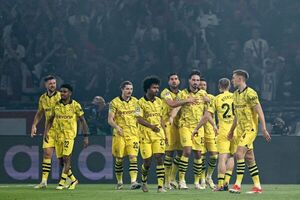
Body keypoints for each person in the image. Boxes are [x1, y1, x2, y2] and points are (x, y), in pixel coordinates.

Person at [171, 70, 216, 190]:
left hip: (198, 128)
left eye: (197, 80)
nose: (196, 82)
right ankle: (181, 180)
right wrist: (172, 116)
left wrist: (209, 101)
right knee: (187, 151)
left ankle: (197, 182)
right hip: (185, 126)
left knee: (198, 154)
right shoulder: (183, 93)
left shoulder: (203, 95)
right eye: (194, 80)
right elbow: (175, 105)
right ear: (189, 81)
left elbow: (208, 112)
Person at [228, 69, 271, 194]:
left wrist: (263, 128)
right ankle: (257, 186)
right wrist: (231, 130)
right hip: (240, 130)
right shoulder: (235, 94)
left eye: (233, 77)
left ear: (240, 79)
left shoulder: (251, 93)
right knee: (249, 158)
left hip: (250, 129)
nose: (232, 80)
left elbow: (259, 111)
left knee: (239, 153)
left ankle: (237, 185)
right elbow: (236, 115)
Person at [44, 84, 89, 190]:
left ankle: (62, 182)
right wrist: (46, 132)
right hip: (57, 136)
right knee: (60, 161)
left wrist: (86, 136)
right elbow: (50, 120)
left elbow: (83, 121)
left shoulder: (75, 105)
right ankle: (73, 180)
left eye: (65, 91)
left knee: (66, 158)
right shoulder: (56, 105)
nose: (62, 93)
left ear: (70, 93)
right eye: (61, 91)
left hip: (69, 136)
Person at [160, 73, 197, 189]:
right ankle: (166, 181)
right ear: (168, 82)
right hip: (168, 124)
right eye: (171, 79)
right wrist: (186, 100)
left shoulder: (182, 93)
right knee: (169, 153)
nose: (174, 81)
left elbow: (180, 107)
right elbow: (172, 104)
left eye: (176, 79)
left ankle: (172, 178)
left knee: (181, 153)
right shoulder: (165, 92)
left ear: (179, 81)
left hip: (179, 125)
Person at [108, 81, 141, 190]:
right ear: (122, 89)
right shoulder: (114, 102)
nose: (129, 91)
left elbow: (139, 118)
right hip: (120, 134)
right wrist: (117, 127)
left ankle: (133, 182)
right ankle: (120, 181)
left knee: (133, 157)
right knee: (119, 159)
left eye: (131, 89)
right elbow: (110, 120)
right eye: (127, 89)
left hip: (133, 134)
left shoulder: (136, 102)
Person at [136, 76, 167, 193]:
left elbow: (162, 118)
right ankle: (144, 181)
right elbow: (139, 119)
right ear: (148, 89)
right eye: (154, 88)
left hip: (158, 134)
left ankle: (160, 186)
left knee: (159, 158)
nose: (157, 90)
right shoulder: (139, 103)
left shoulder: (160, 102)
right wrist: (151, 126)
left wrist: (166, 133)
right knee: (147, 162)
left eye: (158, 88)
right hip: (145, 135)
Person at [31, 75, 61, 189]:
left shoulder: (60, 96)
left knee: (62, 157)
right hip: (48, 131)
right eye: (50, 83)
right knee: (47, 154)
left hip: (61, 131)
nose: (52, 85)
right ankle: (44, 181)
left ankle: (69, 179)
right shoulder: (42, 98)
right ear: (46, 85)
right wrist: (34, 125)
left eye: (54, 83)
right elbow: (40, 113)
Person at [198, 78, 218, 189]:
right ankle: (202, 179)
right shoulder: (196, 99)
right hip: (200, 130)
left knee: (214, 156)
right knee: (201, 157)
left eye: (204, 85)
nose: (202, 87)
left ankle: (209, 176)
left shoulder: (212, 98)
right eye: (200, 85)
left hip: (210, 130)